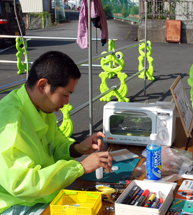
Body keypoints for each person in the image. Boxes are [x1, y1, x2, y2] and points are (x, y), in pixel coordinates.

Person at [0, 51, 113, 214]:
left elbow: (54, 145)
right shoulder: (10, 123)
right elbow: (23, 184)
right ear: (42, 86)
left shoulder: (41, 108)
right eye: (65, 94)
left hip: (43, 195)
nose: (66, 102)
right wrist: (80, 167)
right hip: (16, 205)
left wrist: (77, 148)